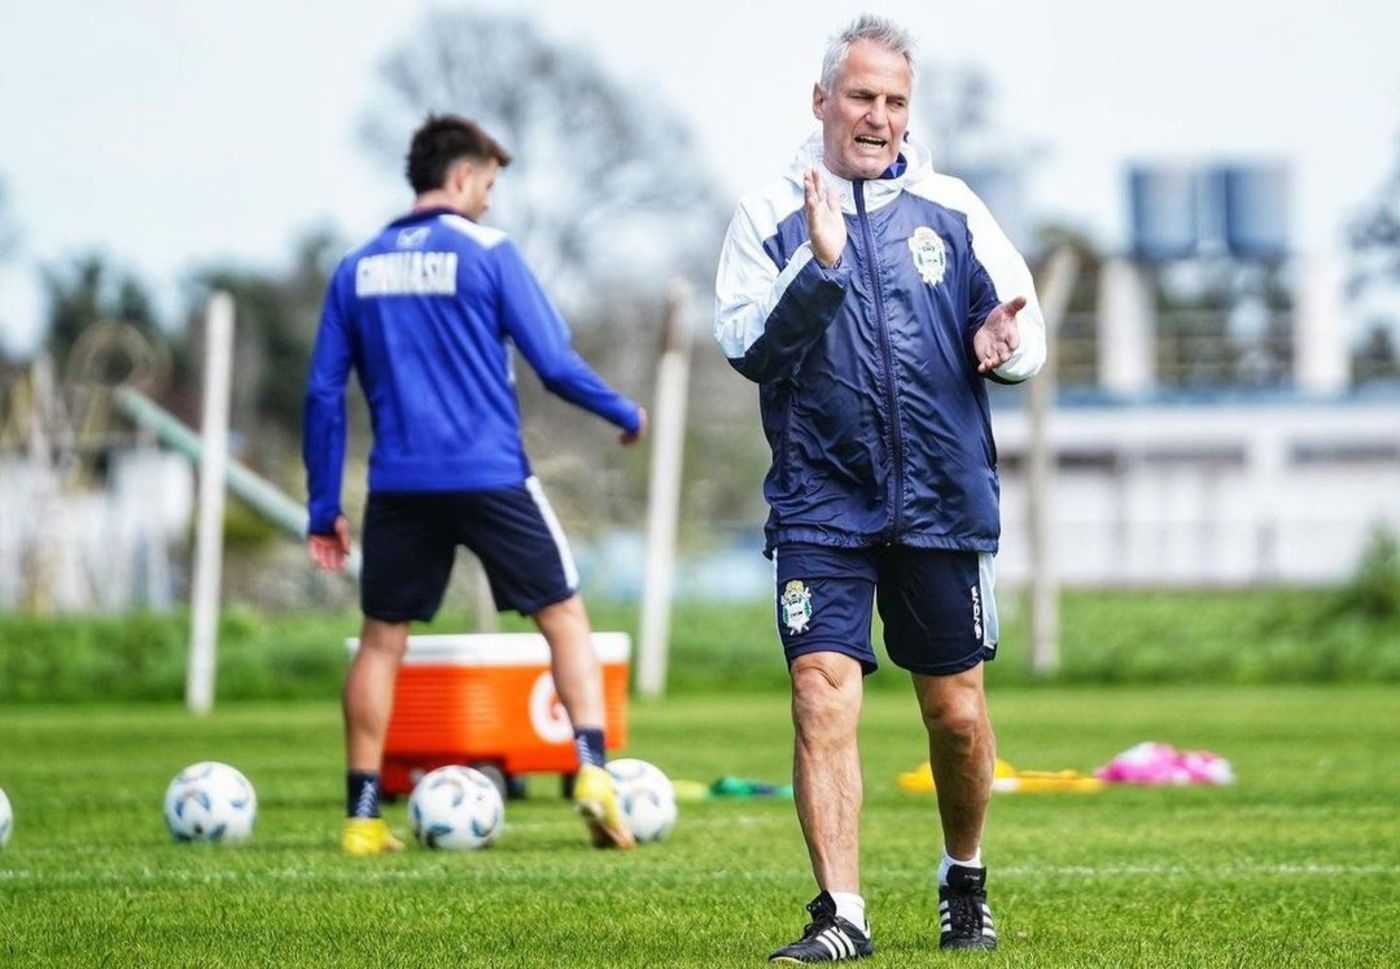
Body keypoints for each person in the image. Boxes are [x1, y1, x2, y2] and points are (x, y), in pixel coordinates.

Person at [714, 14, 1045, 961]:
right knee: (822, 692)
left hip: (941, 499)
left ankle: (964, 874)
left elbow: (1026, 332)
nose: (878, 116)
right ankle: (842, 915)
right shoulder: (765, 213)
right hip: (822, 500)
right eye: (861, 96)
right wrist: (817, 269)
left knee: (957, 711)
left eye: (895, 101)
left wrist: (1003, 350)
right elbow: (745, 345)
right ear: (822, 100)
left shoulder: (955, 207)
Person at [304, 114, 646, 856]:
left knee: (381, 642)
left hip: (398, 484)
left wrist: (323, 506)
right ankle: (592, 771)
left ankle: (363, 817)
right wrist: (622, 409)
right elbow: (552, 362)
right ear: (462, 177)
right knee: (564, 615)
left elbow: (324, 394)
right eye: (489, 184)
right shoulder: (490, 252)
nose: (490, 201)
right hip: (491, 473)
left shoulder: (355, 266)